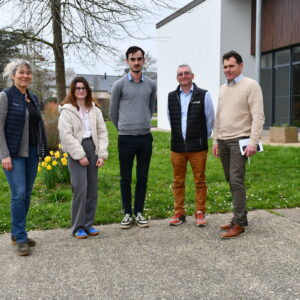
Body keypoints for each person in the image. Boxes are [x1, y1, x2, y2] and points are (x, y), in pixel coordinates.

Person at [212, 50, 265, 239]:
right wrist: (216, 139)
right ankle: (241, 216)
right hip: (224, 140)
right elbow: (219, 117)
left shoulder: (251, 85)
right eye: (225, 67)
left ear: (240, 66)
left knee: (236, 180)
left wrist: (254, 141)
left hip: (240, 140)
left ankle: (239, 223)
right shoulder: (223, 88)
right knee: (230, 179)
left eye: (231, 66)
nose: (227, 70)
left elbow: (258, 115)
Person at [0, 59, 48, 256]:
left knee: (26, 194)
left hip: (32, 153)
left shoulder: (33, 98)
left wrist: (42, 150)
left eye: (28, 72)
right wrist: (4, 155)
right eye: (21, 72)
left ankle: (16, 232)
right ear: (13, 75)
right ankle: (20, 238)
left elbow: (38, 125)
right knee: (19, 193)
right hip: (13, 154)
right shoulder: (6, 96)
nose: (25, 75)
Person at [109, 46, 156, 229]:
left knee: (142, 176)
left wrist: (143, 122)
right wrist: (123, 128)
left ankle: (139, 212)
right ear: (127, 61)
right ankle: (127, 213)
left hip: (145, 138)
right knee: (125, 177)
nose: (136, 62)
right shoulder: (119, 85)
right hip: (126, 138)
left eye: (139, 59)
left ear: (144, 60)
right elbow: (112, 112)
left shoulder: (151, 85)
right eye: (132, 59)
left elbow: (151, 108)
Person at [58, 77, 108, 239]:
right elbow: (66, 136)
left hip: (92, 148)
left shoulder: (95, 110)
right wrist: (79, 155)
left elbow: (102, 133)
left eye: (84, 88)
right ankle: (78, 226)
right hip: (75, 150)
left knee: (92, 189)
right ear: (73, 90)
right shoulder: (67, 111)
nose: (81, 91)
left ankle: (88, 223)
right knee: (80, 188)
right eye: (78, 88)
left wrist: (101, 154)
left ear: (87, 90)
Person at [168, 64, 214, 227]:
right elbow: (171, 119)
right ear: (177, 78)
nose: (184, 76)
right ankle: (179, 212)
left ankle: (200, 212)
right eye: (180, 74)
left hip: (198, 147)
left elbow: (210, 119)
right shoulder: (171, 96)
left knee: (200, 180)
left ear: (192, 76)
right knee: (178, 181)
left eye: (187, 73)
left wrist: (204, 137)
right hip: (178, 147)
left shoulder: (204, 95)